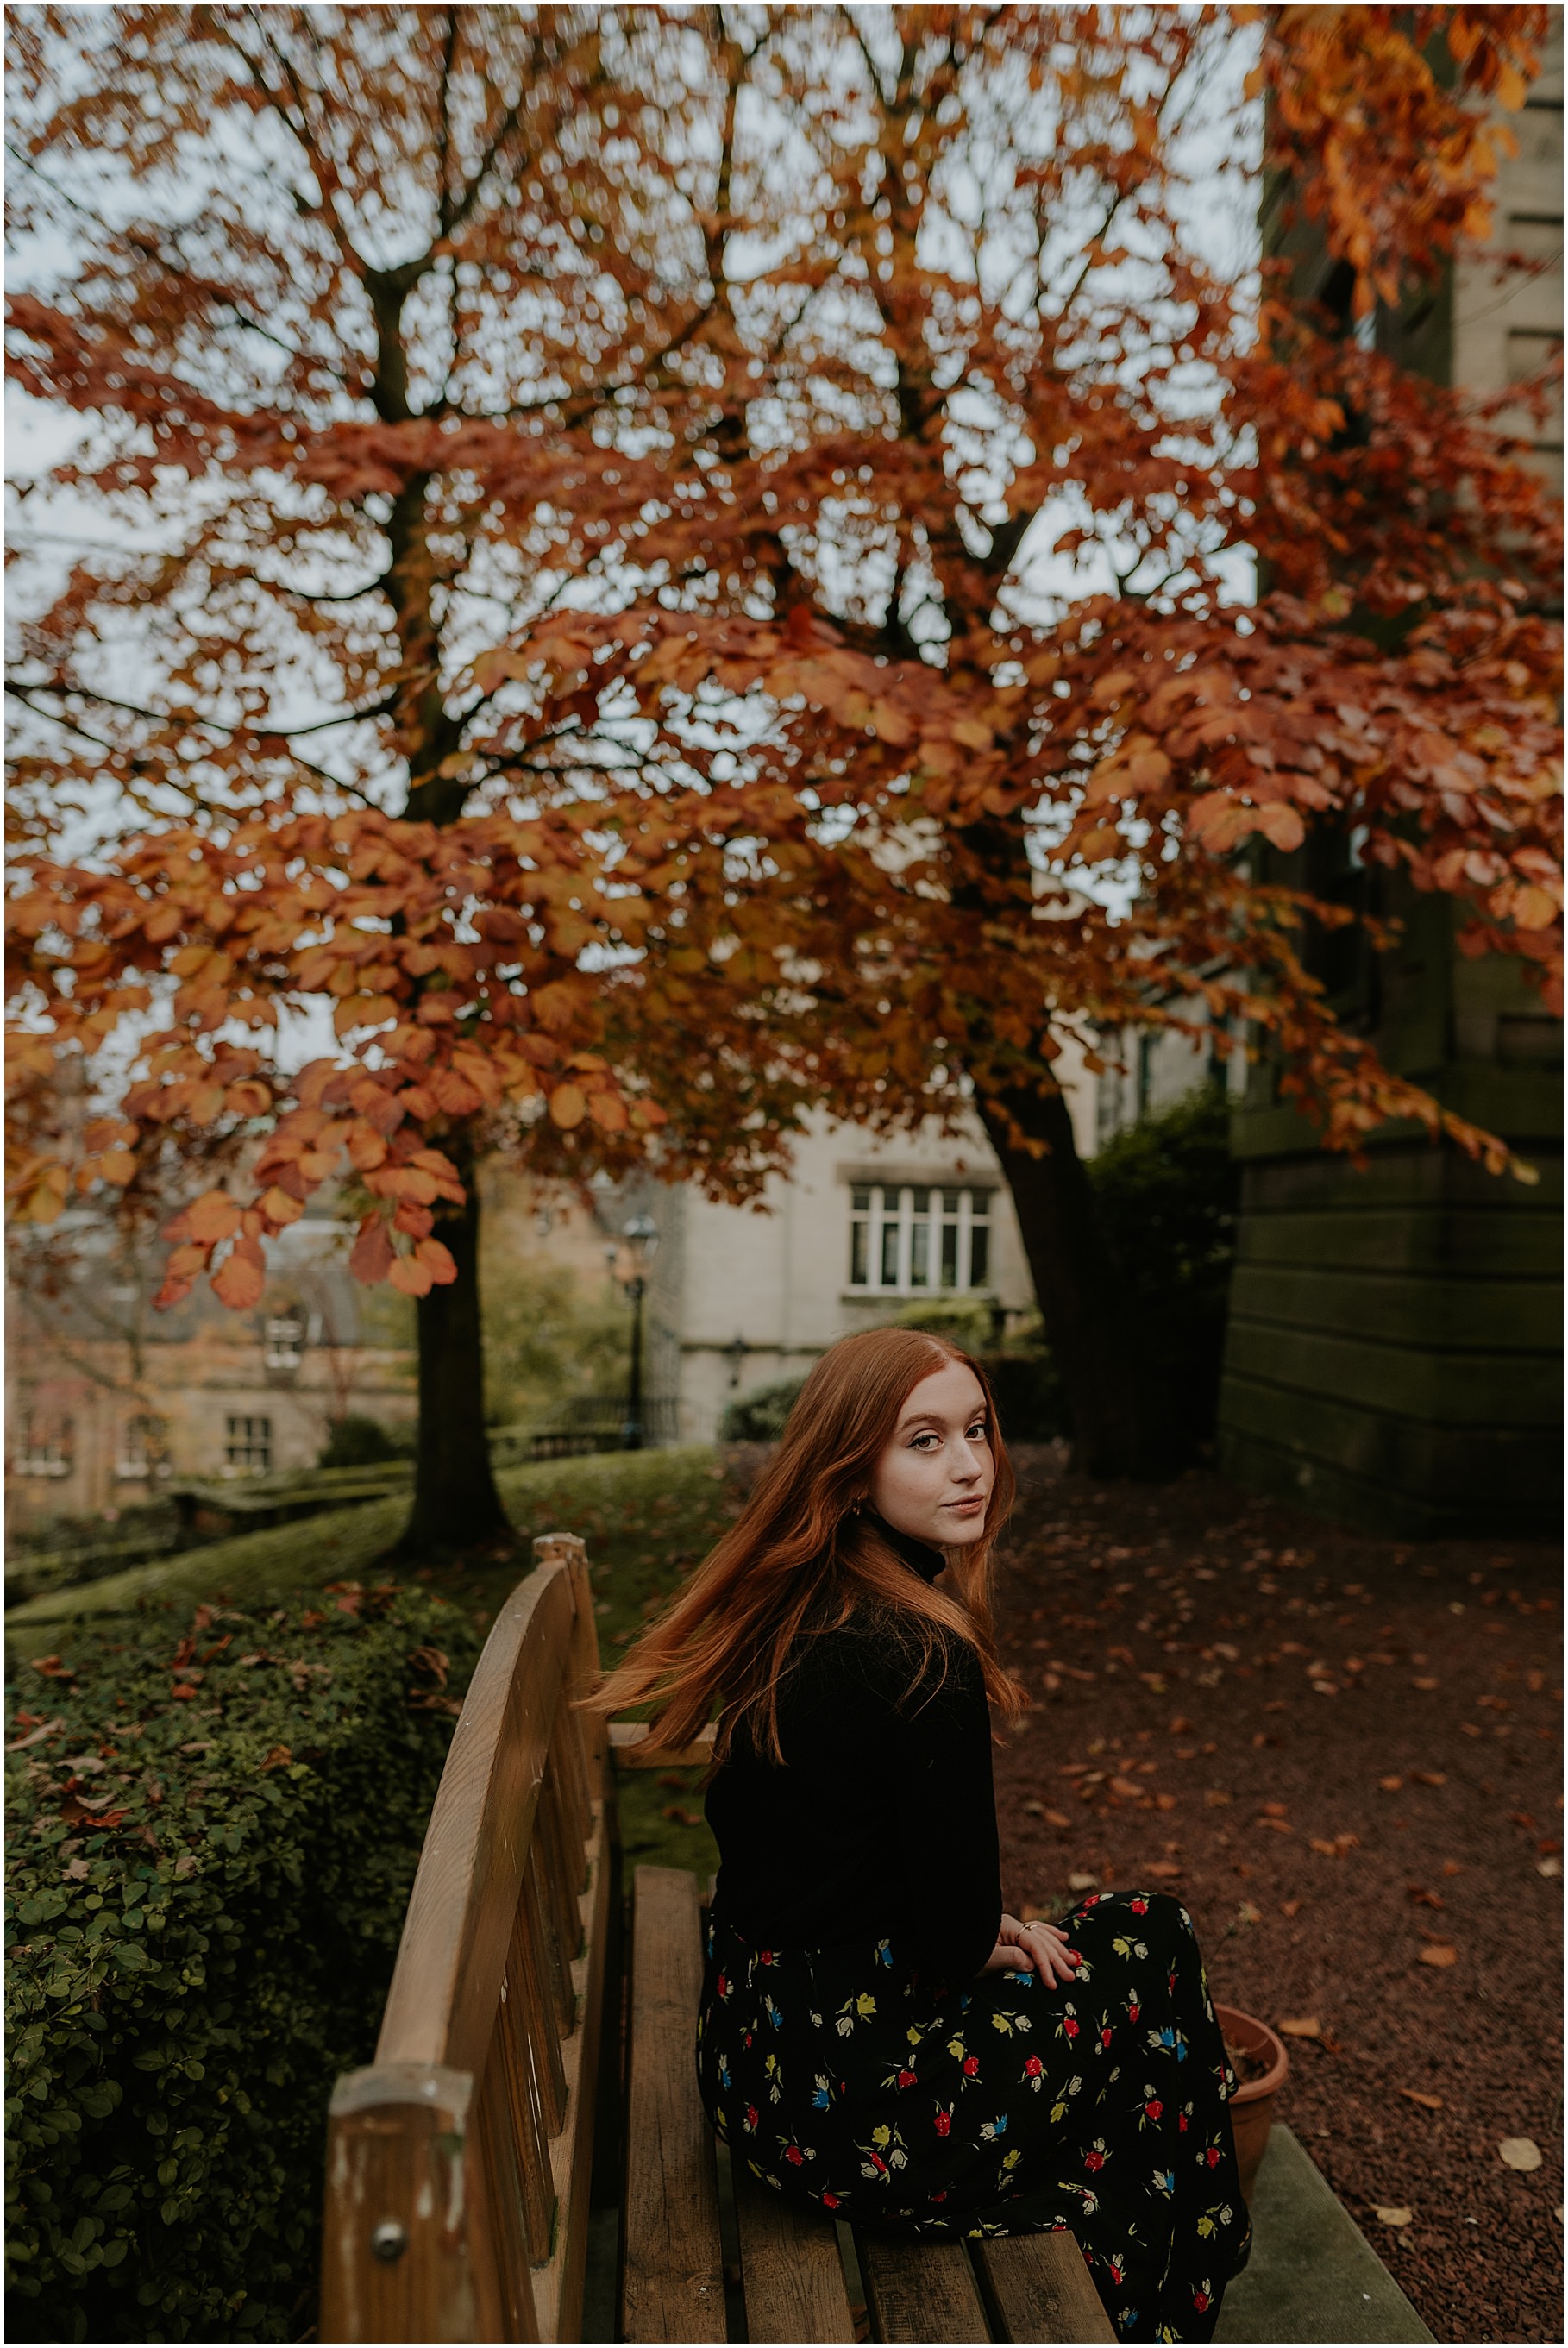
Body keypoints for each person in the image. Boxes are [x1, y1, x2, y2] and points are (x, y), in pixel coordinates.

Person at [592, 1327, 1251, 2342]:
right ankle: (1165, 2287)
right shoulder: (915, 1652)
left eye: (978, 1430)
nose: (971, 1464)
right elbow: (945, 1949)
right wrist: (982, 1929)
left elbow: (833, 1857)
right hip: (863, 2116)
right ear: (850, 1469)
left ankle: (1149, 2250)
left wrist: (981, 1924)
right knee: (1151, 1936)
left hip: (754, 2068)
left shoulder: (795, 1599)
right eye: (925, 1440)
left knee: (1093, 1959)